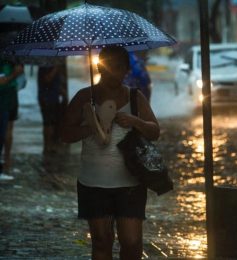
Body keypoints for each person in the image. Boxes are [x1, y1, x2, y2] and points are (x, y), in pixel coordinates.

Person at [61, 46, 159, 259]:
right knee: (101, 241)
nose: (114, 72)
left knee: (132, 243)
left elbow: (155, 131)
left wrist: (135, 121)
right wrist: (93, 126)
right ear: (99, 67)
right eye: (109, 67)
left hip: (131, 183)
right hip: (93, 183)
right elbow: (65, 134)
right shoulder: (84, 97)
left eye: (119, 67)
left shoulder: (135, 97)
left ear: (127, 70)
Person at [0, 60, 23, 181]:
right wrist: (15, 73)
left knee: (8, 130)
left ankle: (7, 159)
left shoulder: (12, 58)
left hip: (11, 97)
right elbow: (2, 81)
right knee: (3, 133)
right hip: (3, 99)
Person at [37, 65, 67, 154]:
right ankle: (47, 146)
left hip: (54, 98)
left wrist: (63, 92)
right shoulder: (44, 66)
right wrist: (56, 69)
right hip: (46, 98)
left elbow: (55, 83)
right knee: (48, 123)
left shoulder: (51, 64)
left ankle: (50, 146)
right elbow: (47, 79)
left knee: (53, 123)